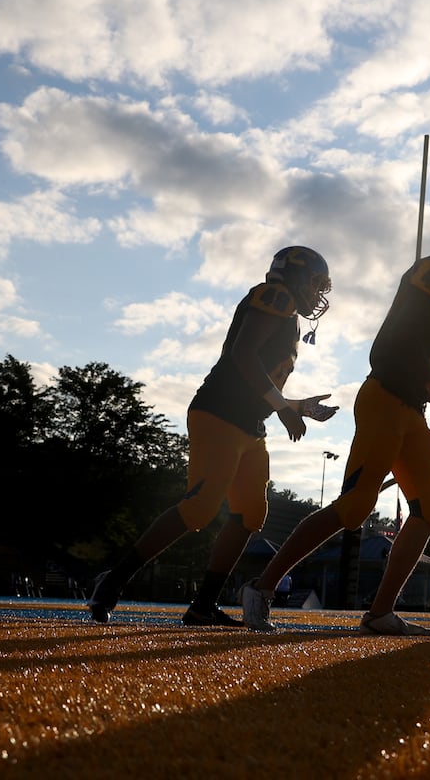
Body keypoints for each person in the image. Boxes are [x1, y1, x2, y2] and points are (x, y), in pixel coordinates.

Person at [241, 209, 430, 634]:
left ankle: (380, 613)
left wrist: (429, 389)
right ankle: (262, 586)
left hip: (408, 407)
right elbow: (397, 340)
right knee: (355, 507)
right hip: (386, 398)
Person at [87, 247, 337, 626]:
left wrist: (296, 406)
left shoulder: (286, 311)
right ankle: (113, 582)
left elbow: (255, 381)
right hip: (220, 413)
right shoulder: (276, 295)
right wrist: (284, 408)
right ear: (297, 276)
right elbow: (243, 355)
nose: (318, 294)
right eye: (316, 283)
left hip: (248, 423)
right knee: (200, 507)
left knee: (251, 513)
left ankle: (203, 605)